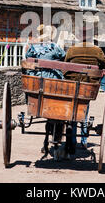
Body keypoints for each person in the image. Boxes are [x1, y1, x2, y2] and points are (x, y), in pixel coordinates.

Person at [64, 26, 105, 156]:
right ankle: (84, 140)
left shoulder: (72, 50)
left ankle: (72, 140)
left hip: (73, 86)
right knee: (84, 111)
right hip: (88, 87)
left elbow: (65, 63)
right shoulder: (97, 50)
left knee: (73, 113)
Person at [25, 24, 66, 159]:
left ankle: (46, 141)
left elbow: (27, 60)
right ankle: (56, 140)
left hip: (37, 84)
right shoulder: (54, 48)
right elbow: (64, 57)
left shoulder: (32, 48)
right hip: (53, 84)